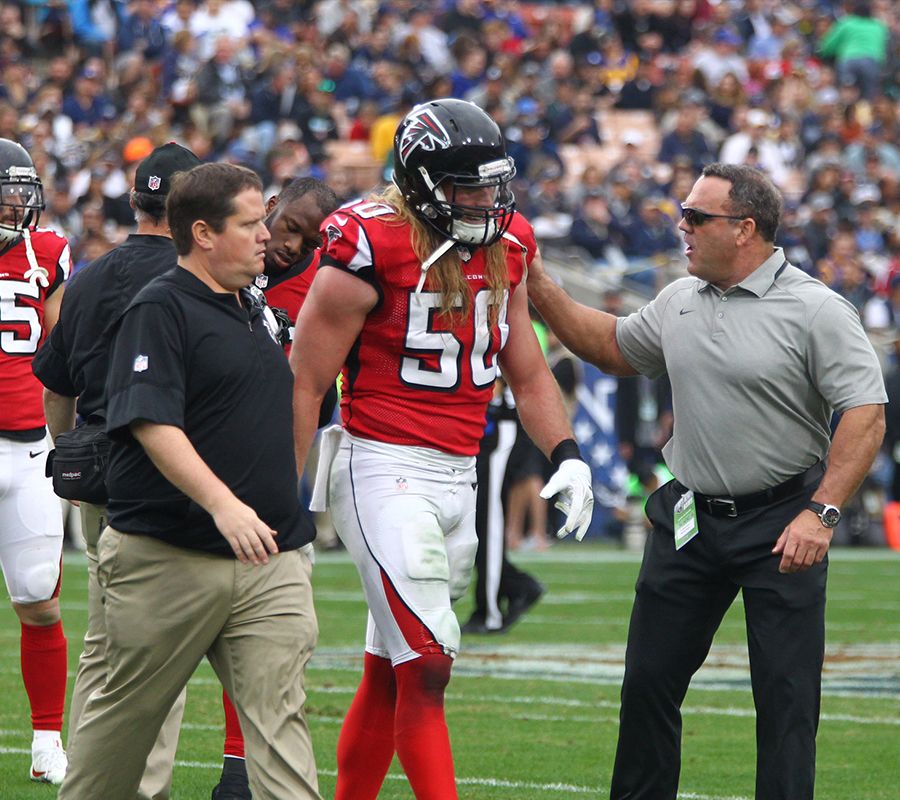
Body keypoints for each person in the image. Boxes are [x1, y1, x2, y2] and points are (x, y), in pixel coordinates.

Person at [526, 162, 886, 800]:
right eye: (682, 214)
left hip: (782, 522)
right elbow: (609, 345)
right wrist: (537, 284)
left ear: (745, 229)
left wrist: (823, 513)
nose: (681, 227)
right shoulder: (679, 297)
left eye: (696, 217)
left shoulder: (816, 309)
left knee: (786, 702)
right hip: (687, 518)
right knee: (647, 686)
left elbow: (866, 412)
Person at [290, 98, 594, 800]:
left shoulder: (508, 241)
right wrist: (285, 492)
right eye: (468, 188)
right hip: (381, 466)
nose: (487, 201)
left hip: (460, 474)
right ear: (423, 182)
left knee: (387, 668)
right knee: (427, 664)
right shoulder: (368, 241)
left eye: (494, 184)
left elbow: (526, 367)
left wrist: (568, 453)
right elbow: (305, 382)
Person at [57, 163, 321, 800]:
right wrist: (223, 504)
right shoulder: (159, 307)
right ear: (203, 233)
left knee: (282, 725)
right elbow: (151, 420)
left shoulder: (251, 306)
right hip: (167, 556)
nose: (267, 236)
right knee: (121, 732)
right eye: (251, 223)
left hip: (268, 559)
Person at [34, 142, 202, 800]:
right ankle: (141, 789)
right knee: (158, 650)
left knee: (103, 642)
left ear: (133, 201)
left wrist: (67, 453)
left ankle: (90, 780)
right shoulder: (200, 276)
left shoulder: (88, 278)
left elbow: (55, 386)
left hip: (98, 468)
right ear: (193, 210)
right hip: (173, 475)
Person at [213, 175, 340, 800]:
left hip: (273, 470)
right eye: (289, 226)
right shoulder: (223, 261)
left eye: (309, 238)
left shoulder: (327, 279)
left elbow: (319, 391)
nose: (292, 244)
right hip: (203, 465)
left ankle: (239, 770)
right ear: (269, 208)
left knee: (267, 643)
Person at [0, 137, 71, 785]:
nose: (16, 204)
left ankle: (47, 739)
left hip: (26, 449)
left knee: (39, 601)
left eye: (22, 192)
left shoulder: (45, 252)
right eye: (5, 192)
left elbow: (63, 349)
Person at [461, 381, 545, 635]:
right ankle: (516, 585)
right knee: (474, 524)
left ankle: (490, 611)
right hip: (483, 429)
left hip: (499, 429)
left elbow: (493, 382)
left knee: (488, 522)